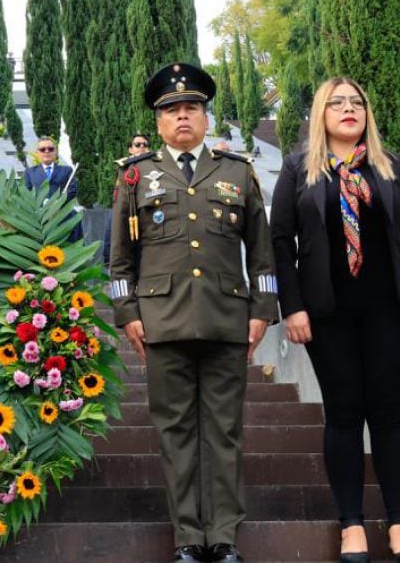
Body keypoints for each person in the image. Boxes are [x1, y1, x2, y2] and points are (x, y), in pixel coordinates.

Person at [109, 63, 278, 563]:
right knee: (176, 433)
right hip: (162, 322)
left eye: (192, 109)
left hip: (228, 319)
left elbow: (262, 253)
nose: (183, 117)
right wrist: (128, 311)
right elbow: (119, 259)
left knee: (223, 431)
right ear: (159, 122)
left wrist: (262, 309)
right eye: (172, 110)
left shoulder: (237, 171)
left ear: (205, 117)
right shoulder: (135, 176)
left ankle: (222, 536)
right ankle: (187, 537)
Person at [270, 77, 400, 563]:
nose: (349, 109)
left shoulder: (391, 168)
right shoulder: (298, 169)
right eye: (337, 103)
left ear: (367, 114)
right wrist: (293, 307)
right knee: (343, 416)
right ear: (321, 115)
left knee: (389, 416)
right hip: (328, 316)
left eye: (357, 103)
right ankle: (351, 525)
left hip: (390, 312)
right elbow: (280, 242)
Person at [23, 136, 83, 242]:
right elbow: (26, 193)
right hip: (40, 222)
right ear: (37, 153)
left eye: (50, 149)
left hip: (64, 218)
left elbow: (72, 190)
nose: (47, 151)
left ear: (55, 152)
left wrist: (58, 202)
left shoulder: (67, 170)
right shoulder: (30, 172)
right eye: (43, 149)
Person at [103, 134, 151, 264]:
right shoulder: (125, 167)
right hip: (128, 207)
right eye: (138, 145)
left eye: (145, 145)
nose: (142, 147)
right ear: (130, 149)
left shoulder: (155, 166)